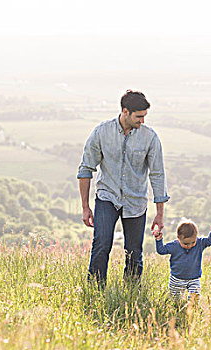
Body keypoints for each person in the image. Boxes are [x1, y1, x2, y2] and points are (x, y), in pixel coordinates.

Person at [77, 90, 170, 286]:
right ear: (125, 112)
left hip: (136, 202)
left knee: (134, 251)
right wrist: (85, 207)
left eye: (145, 116)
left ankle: (131, 293)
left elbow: (157, 175)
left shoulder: (150, 138)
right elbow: (86, 169)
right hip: (107, 197)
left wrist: (160, 214)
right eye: (139, 116)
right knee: (101, 244)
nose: (142, 121)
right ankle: (95, 289)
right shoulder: (102, 132)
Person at [153, 219, 211, 299]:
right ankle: (177, 309)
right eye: (186, 244)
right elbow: (161, 250)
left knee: (194, 299)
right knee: (175, 300)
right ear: (178, 238)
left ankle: (192, 310)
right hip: (177, 279)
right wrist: (158, 239)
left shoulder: (199, 243)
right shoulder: (174, 246)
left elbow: (210, 241)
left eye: (193, 242)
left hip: (194, 279)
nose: (190, 246)